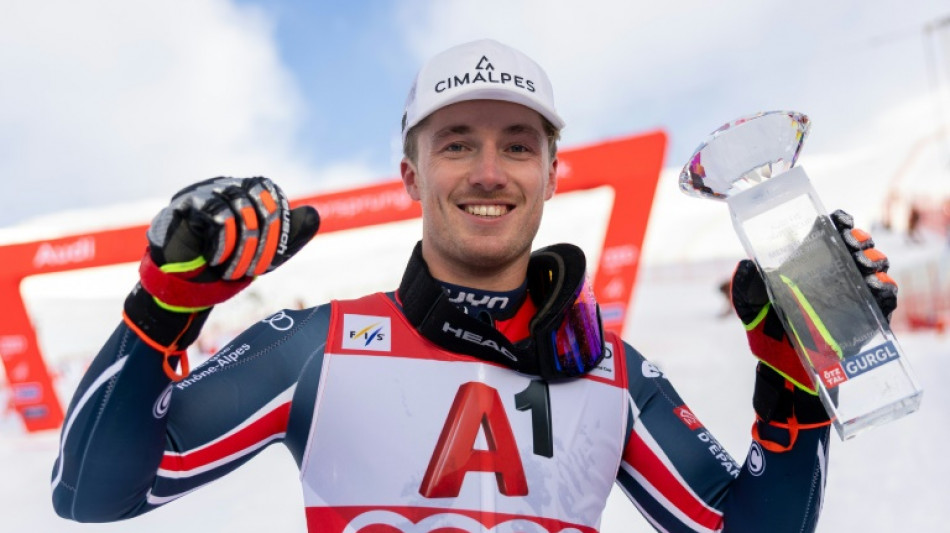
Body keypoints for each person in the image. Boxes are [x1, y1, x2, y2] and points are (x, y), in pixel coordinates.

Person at [51, 39, 898, 532]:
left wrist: (794, 382)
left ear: (553, 174)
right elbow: (91, 493)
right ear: (411, 176)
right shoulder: (316, 346)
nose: (488, 172)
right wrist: (164, 309)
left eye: (518, 146)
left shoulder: (614, 372)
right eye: (456, 143)